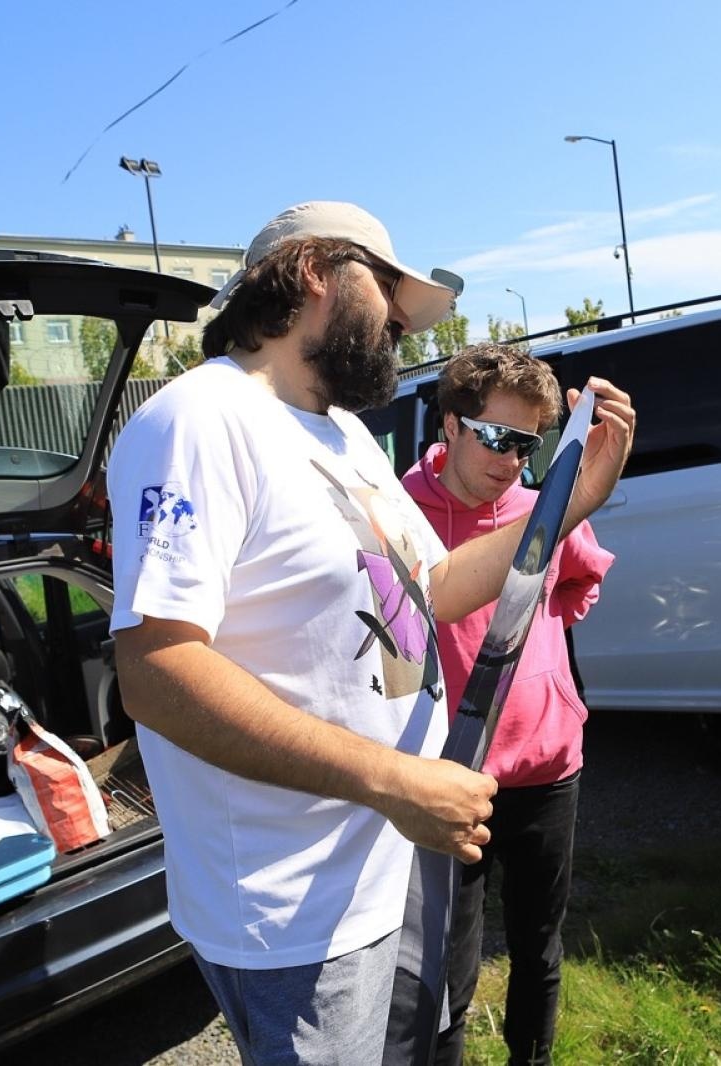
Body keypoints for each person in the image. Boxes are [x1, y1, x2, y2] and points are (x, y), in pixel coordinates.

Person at [105, 201, 635, 1065]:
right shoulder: (198, 421)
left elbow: (436, 586)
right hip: (294, 905)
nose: (397, 320)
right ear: (315, 272)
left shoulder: (343, 434)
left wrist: (574, 496)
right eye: (385, 289)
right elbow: (158, 672)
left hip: (387, 859)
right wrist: (393, 781)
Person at [400, 343, 614, 1065]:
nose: (509, 460)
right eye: (494, 436)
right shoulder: (399, 510)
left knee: (538, 948)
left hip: (550, 768)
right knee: (445, 972)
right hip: (451, 778)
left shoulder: (543, 506)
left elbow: (583, 578)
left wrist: (545, 663)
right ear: (451, 424)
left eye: (526, 443)